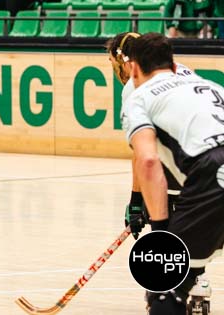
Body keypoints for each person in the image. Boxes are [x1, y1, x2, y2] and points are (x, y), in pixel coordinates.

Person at [107, 31, 213, 312]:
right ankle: (196, 277)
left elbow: (146, 158)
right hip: (203, 162)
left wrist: (138, 202)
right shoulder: (194, 77)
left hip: (201, 170)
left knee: (164, 268)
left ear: (132, 64)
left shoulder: (136, 90)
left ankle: (171, 287)